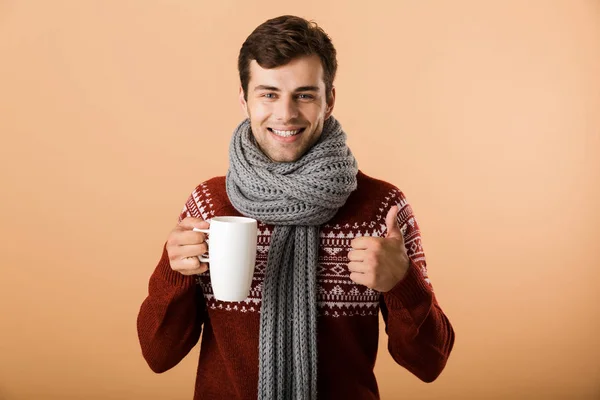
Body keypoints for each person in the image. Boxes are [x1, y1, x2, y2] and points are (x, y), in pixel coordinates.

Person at [137, 14, 455, 400]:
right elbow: (158, 354)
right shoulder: (209, 204)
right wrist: (175, 275)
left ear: (329, 99)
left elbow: (430, 363)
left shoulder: (381, 208)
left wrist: (403, 284)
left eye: (304, 95)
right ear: (244, 99)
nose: (285, 114)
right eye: (268, 93)